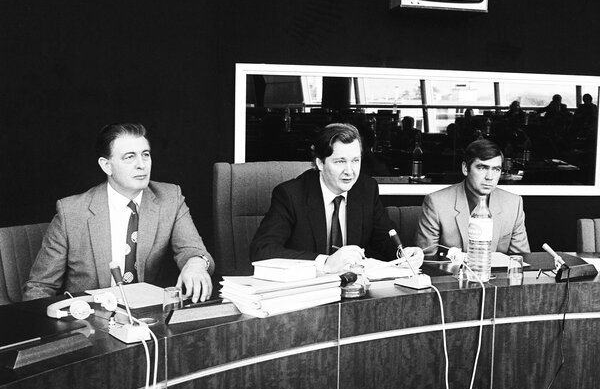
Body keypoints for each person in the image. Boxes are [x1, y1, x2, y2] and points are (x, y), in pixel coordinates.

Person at [24, 123, 214, 302]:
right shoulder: (71, 212)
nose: (141, 164)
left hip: (147, 318)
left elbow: (193, 250)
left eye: (145, 154)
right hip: (89, 322)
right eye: (129, 157)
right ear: (107, 166)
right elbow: (40, 287)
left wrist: (195, 264)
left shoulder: (170, 198)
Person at [250, 123, 423, 273]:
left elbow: (384, 239)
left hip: (353, 289)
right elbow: (263, 251)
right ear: (320, 163)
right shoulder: (291, 195)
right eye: (340, 161)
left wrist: (403, 254)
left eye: (355, 160)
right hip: (306, 291)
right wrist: (325, 262)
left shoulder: (366, 189)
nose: (350, 171)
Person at [414, 139, 530, 255]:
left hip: (498, 273)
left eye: (496, 169)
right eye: (482, 168)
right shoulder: (436, 203)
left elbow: (520, 260)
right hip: (453, 272)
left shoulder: (514, 203)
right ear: (465, 168)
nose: (490, 177)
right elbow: (426, 261)